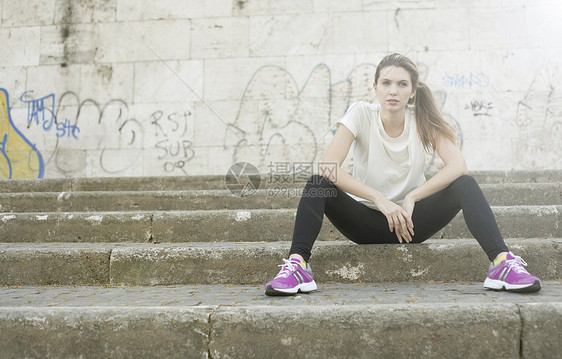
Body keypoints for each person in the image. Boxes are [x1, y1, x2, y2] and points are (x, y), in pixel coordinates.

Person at [264, 53, 541, 296]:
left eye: (401, 84)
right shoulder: (360, 113)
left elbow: (458, 166)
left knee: (465, 184)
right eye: (386, 83)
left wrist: (412, 197)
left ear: (413, 91)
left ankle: (501, 263)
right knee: (317, 183)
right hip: (364, 222)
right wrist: (379, 199)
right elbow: (329, 168)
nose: (392, 91)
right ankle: (298, 266)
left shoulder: (421, 118)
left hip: (411, 224)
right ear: (375, 88)